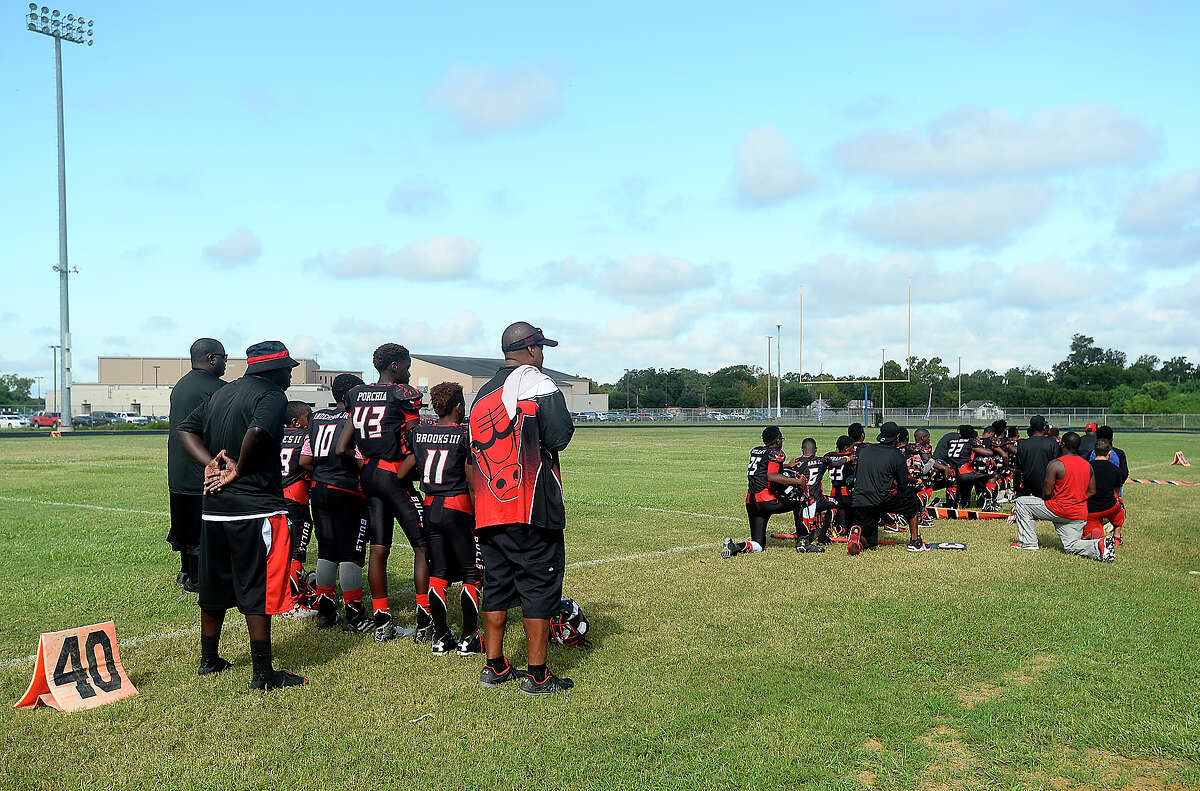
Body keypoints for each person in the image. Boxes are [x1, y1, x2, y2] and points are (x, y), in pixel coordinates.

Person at [175, 340, 305, 691]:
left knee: (214, 587)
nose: (291, 375)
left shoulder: (221, 393)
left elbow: (185, 429)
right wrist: (238, 468)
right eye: (288, 369)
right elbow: (258, 432)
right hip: (257, 508)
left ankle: (209, 659)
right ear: (274, 369)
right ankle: (263, 674)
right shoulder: (272, 396)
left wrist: (211, 464)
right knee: (257, 588)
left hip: (216, 511)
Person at [469, 322, 575, 695]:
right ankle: (538, 675)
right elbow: (559, 437)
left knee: (496, 586)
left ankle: (494, 666)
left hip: (489, 508)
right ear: (530, 349)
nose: (543, 355)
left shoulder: (481, 392)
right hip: (530, 507)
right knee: (539, 587)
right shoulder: (537, 382)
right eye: (541, 348)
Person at [343, 344, 429, 643]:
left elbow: (347, 442)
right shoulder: (401, 394)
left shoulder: (356, 394)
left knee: (378, 549)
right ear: (394, 366)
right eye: (406, 366)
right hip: (394, 473)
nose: (408, 372)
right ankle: (425, 618)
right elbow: (416, 437)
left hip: (368, 473)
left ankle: (382, 620)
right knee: (422, 545)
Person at [410, 382, 483, 656]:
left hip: (430, 507)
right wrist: (478, 515)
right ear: (459, 407)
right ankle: (468, 638)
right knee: (470, 573)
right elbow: (471, 481)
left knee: (438, 573)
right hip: (458, 505)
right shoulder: (464, 434)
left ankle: (440, 637)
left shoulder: (420, 432)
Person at [302, 374, 371, 632]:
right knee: (351, 553)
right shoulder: (354, 419)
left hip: (318, 487)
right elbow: (361, 458)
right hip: (346, 489)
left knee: (326, 550)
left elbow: (305, 461)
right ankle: (354, 614)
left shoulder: (317, 416)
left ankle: (325, 611)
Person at [167, 338, 227, 592]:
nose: (226, 362)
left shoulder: (180, 386)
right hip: (201, 469)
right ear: (212, 358)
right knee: (202, 530)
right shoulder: (216, 388)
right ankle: (197, 580)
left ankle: (186, 572)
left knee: (185, 526)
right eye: (224, 357)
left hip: (179, 471)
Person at [1011, 431, 1113, 561]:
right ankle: (1098, 545)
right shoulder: (1088, 465)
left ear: (1063, 444)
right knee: (1071, 546)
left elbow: (1047, 493)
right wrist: (1077, 499)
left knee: (1021, 502)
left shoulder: (1056, 464)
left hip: (1059, 508)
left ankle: (1028, 543)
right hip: (1079, 513)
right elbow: (1092, 491)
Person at [723, 426, 811, 557]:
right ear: (776, 441)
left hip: (751, 502)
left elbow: (762, 469)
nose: (782, 441)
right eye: (781, 438)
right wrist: (798, 482)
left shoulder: (756, 451)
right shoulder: (776, 453)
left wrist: (787, 466)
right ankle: (803, 542)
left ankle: (735, 547)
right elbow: (771, 476)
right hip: (766, 499)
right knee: (802, 501)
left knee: (758, 544)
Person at [847, 422, 928, 554]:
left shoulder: (865, 450)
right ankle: (915, 541)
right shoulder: (896, 455)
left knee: (871, 543)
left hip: (859, 500)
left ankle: (858, 537)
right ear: (896, 438)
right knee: (911, 500)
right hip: (881, 499)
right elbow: (903, 484)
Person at [280, 401, 316, 618]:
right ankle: (292, 603)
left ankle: (284, 593)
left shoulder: (276, 435)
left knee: (282, 548)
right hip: (296, 500)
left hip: (277, 498)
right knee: (297, 550)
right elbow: (308, 463)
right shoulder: (305, 437)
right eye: (308, 416)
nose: (310, 420)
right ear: (296, 421)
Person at [790, 437, 848, 551]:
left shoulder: (796, 462)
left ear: (802, 449)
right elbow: (838, 463)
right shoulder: (821, 461)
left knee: (797, 505)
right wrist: (848, 458)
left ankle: (802, 531)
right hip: (817, 500)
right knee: (835, 503)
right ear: (816, 449)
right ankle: (823, 534)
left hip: (802, 501)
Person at [1085, 427, 1129, 545]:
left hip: (1090, 506)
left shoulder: (1090, 456)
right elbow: (1124, 474)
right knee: (1120, 510)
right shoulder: (1119, 455)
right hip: (1110, 502)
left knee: (1093, 526)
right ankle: (1117, 536)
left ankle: (1098, 534)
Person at [1016, 415, 1060, 497]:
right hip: (1048, 487)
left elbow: (1019, 469)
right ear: (1044, 427)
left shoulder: (1022, 444)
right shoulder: (1052, 443)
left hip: (1028, 487)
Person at [826, 435, 855, 538]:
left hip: (833, 491)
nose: (853, 449)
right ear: (846, 447)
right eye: (852, 447)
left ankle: (840, 526)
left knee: (840, 508)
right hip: (845, 492)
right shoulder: (850, 457)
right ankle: (844, 527)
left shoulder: (829, 455)